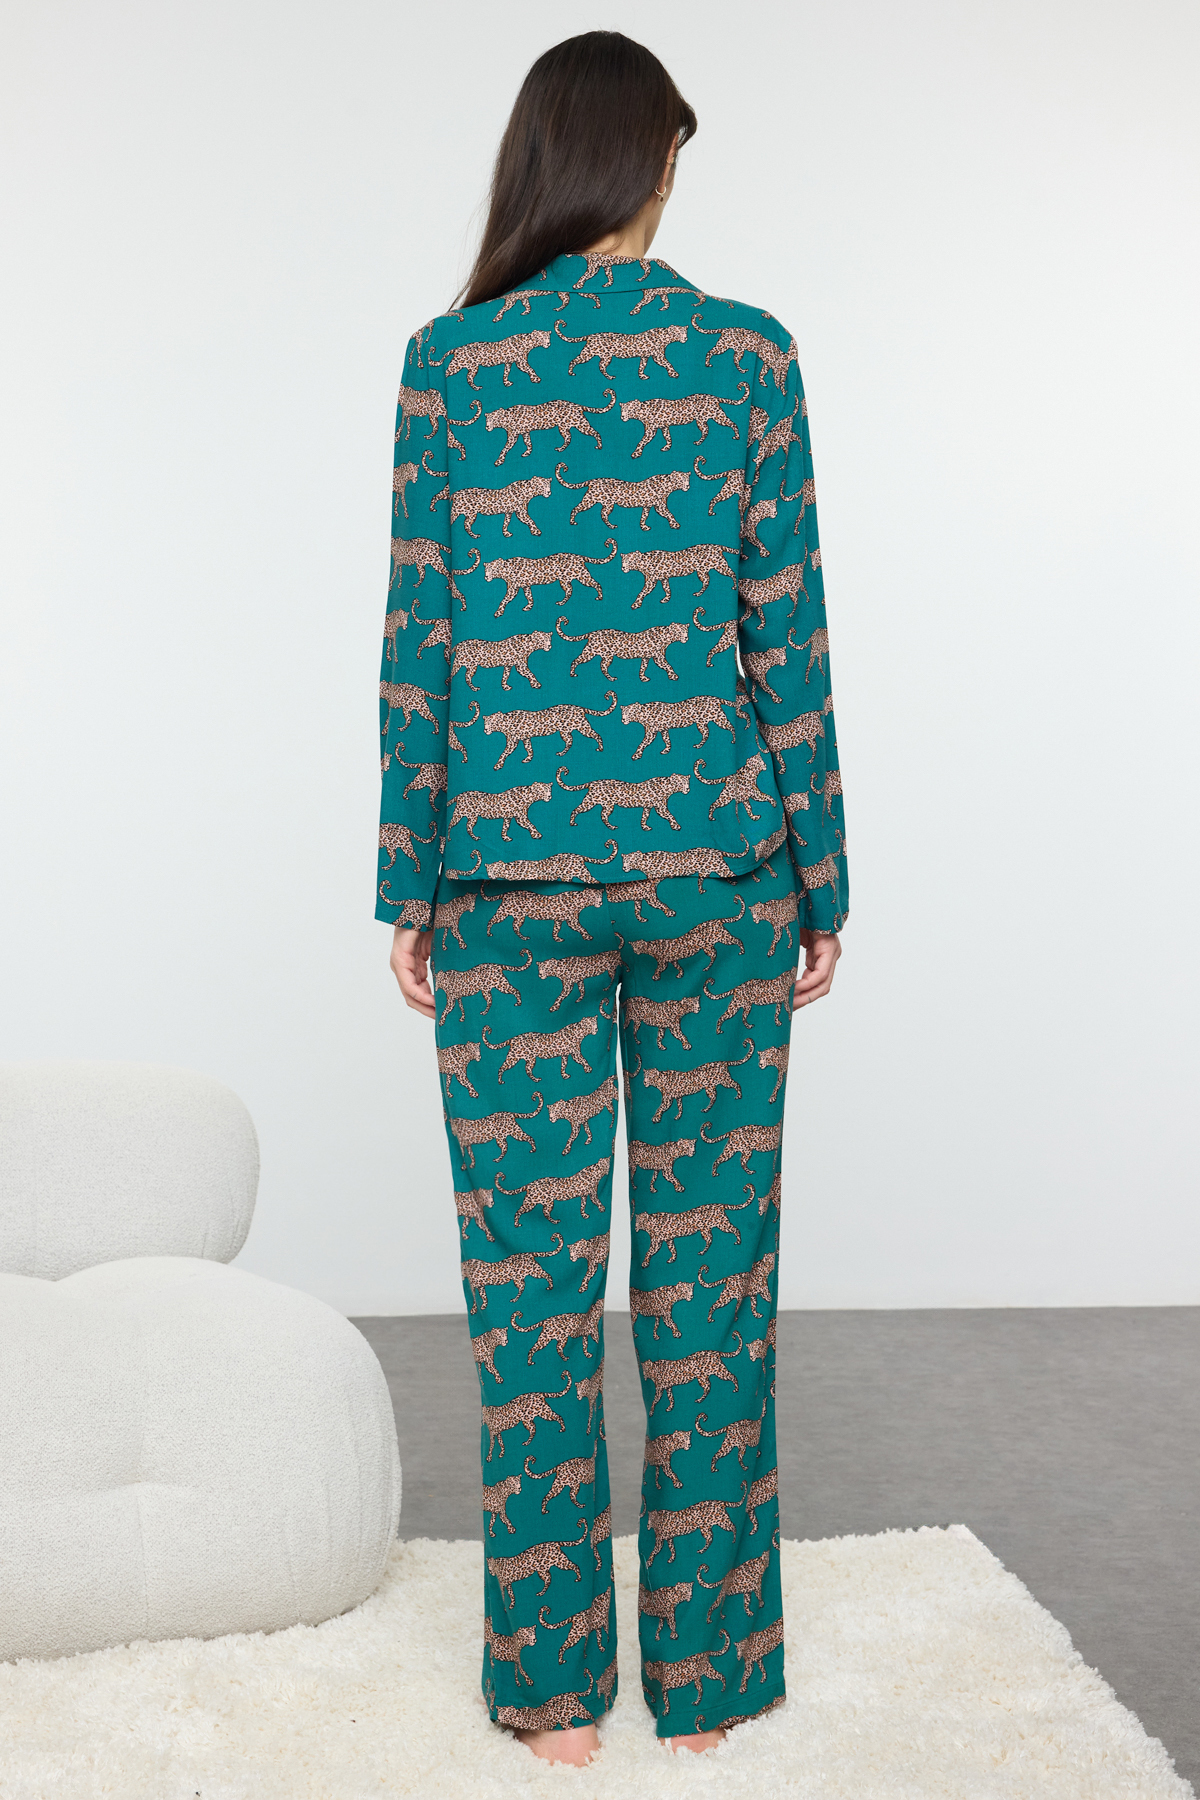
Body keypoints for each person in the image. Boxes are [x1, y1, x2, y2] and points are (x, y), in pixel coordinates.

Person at [379, 30, 847, 1767]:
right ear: (648, 163)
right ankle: (709, 1689)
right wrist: (821, 871)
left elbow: (420, 637)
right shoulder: (747, 357)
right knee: (712, 1286)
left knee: (531, 1293)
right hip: (719, 876)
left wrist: (407, 875)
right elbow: (785, 633)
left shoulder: (449, 367)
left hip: (505, 879)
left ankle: (553, 1698)